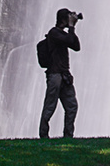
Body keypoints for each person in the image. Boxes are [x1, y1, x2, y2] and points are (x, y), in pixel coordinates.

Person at [38, 8, 81, 139]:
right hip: (55, 75)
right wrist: (72, 27)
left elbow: (76, 47)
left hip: (65, 76)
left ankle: (68, 136)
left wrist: (72, 28)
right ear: (63, 19)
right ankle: (44, 135)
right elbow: (69, 41)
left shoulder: (63, 34)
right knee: (50, 106)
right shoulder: (54, 33)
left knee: (72, 106)